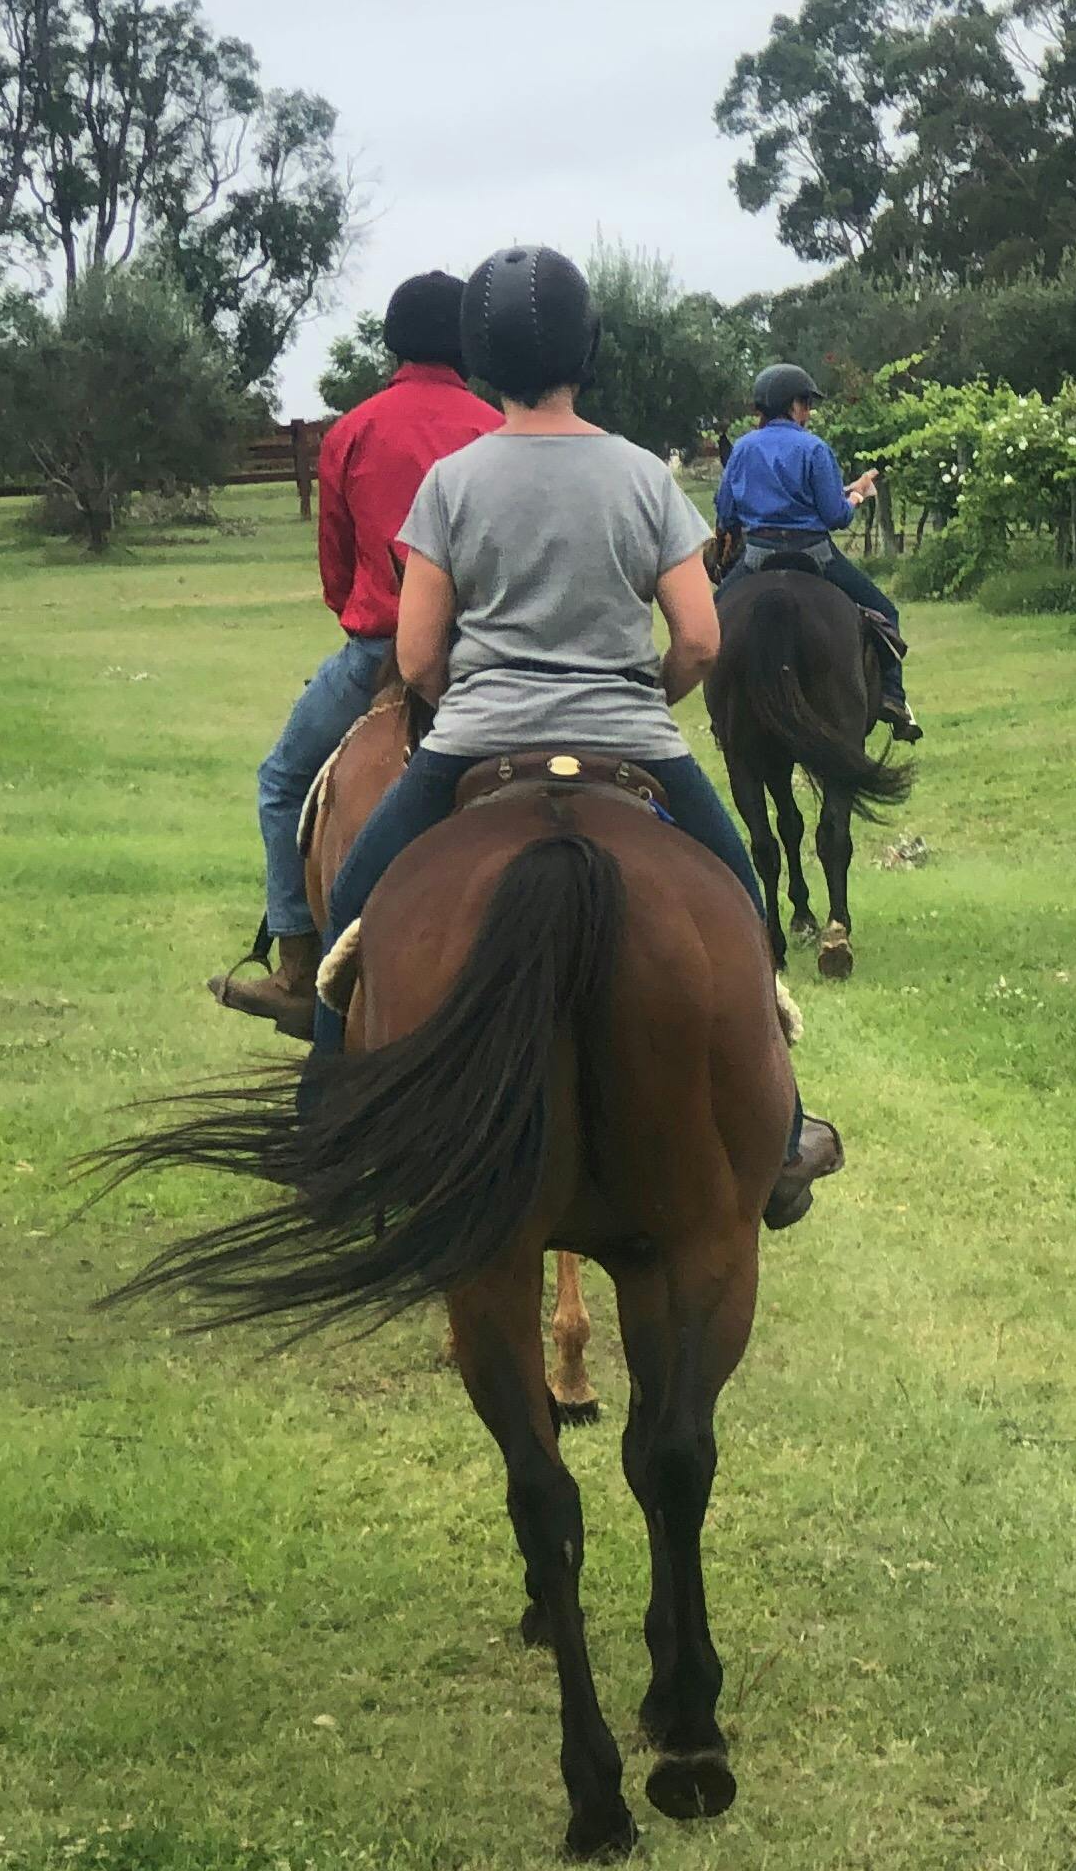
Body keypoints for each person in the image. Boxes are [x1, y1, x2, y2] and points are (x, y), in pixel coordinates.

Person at [307, 245, 843, 1227]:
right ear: (588, 351)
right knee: (743, 906)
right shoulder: (642, 476)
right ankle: (784, 1134)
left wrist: (470, 689)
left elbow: (419, 658)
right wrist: (644, 695)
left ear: (479, 361)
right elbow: (700, 638)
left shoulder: (453, 485)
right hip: (630, 740)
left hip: (475, 742)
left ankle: (322, 1124)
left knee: (352, 907)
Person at [211, 271, 494, 1029]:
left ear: (393, 341)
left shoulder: (355, 428)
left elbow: (337, 573)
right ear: (468, 342)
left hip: (380, 650)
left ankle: (299, 971)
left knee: (280, 781)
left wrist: (373, 622)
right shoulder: (494, 427)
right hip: (489, 661)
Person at [716, 363, 913, 736]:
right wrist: (857, 495)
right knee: (886, 612)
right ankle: (893, 697)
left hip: (757, 555)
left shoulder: (742, 449)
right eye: (806, 404)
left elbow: (726, 511)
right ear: (793, 405)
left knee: (711, 622)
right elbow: (834, 516)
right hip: (814, 555)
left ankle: (720, 709)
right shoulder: (814, 448)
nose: (808, 412)